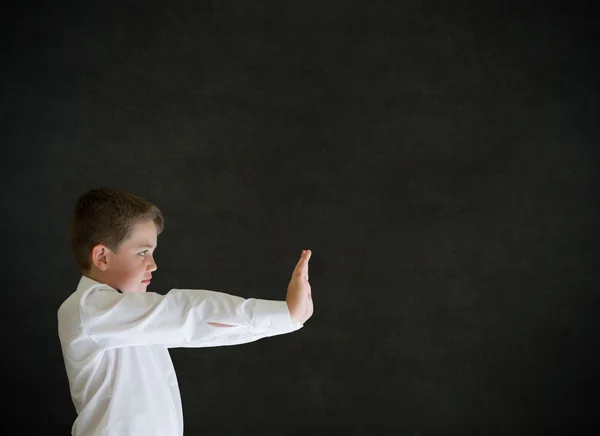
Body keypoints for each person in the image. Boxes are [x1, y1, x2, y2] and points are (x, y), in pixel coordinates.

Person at [57, 187, 314, 436]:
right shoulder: (89, 309)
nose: (153, 265)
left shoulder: (129, 315)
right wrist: (285, 314)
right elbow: (186, 312)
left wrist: (287, 319)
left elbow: (202, 330)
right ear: (102, 257)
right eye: (143, 252)